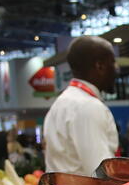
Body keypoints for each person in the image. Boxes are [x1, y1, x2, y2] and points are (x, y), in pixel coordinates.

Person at [43, 36, 119, 176]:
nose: (116, 69)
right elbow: (101, 174)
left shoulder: (60, 103)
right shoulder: (88, 106)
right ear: (100, 66)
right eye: (113, 63)